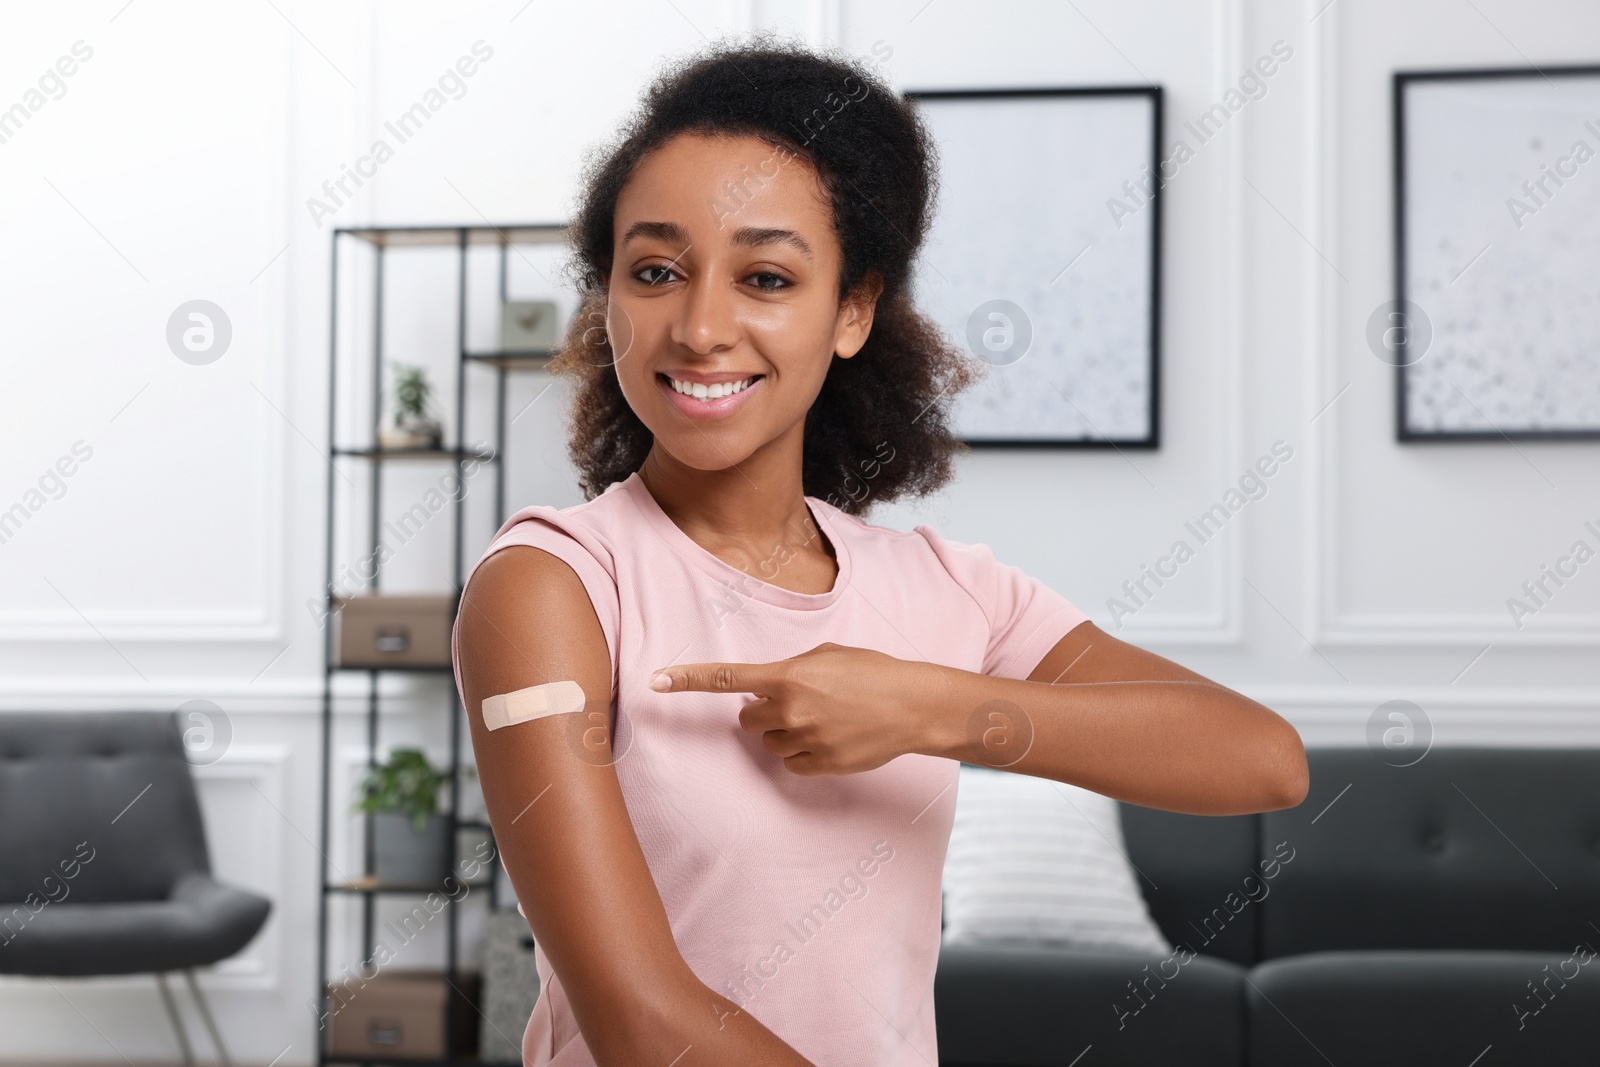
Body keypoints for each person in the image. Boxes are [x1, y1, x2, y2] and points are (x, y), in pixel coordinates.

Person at [452, 35, 1308, 1067]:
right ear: (611, 299)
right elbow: (641, 1018)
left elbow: (1261, 758)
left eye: (766, 276)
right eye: (656, 270)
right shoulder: (551, 586)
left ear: (851, 310)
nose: (701, 324)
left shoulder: (947, 591)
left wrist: (927, 706)